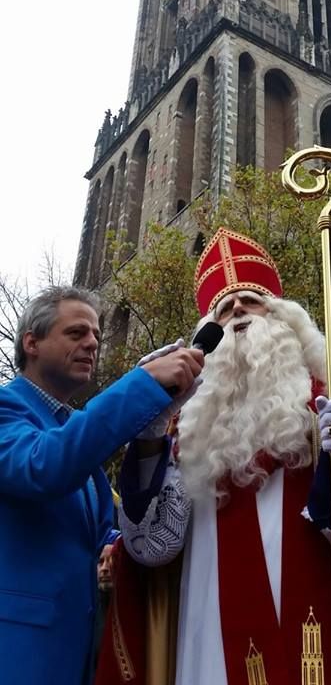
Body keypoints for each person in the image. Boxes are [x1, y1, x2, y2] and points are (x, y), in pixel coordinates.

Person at [97, 227, 331, 685]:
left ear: (284, 317)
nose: (238, 313)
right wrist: (148, 438)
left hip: (322, 596)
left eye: (250, 301)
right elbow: (153, 547)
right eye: (225, 310)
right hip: (210, 615)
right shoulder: (186, 422)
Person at [0, 285, 204, 685]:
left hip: (74, 655)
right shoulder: (8, 410)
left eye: (95, 334)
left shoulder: (67, 427)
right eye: (76, 333)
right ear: (32, 343)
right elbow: (44, 467)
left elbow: (95, 533)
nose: (92, 343)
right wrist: (141, 385)